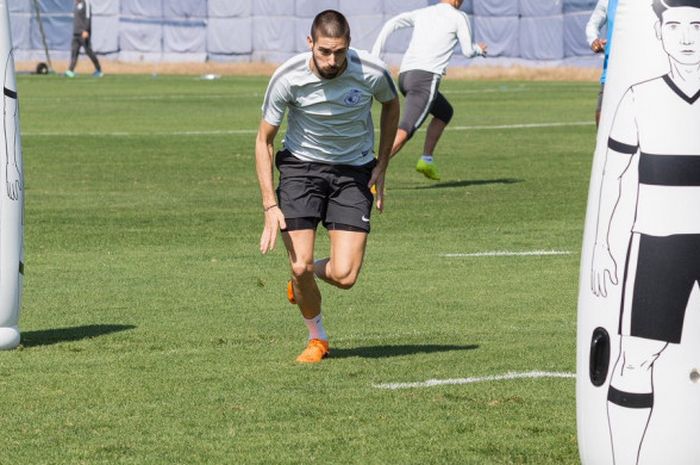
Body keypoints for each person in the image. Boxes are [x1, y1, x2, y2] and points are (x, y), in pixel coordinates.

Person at [255, 10, 400, 363]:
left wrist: (382, 163)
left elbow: (392, 104)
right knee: (300, 264)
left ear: (349, 45)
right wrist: (270, 205)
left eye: (339, 52)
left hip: (353, 173)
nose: (332, 60)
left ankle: (300, 283)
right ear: (310, 44)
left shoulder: (371, 71)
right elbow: (264, 141)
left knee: (345, 275)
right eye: (324, 51)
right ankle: (317, 338)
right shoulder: (287, 77)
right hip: (301, 170)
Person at [591, 1, 700, 463]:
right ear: (658, 33)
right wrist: (601, 246)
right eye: (673, 25)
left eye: (696, 25)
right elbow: (612, 176)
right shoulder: (638, 97)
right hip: (658, 244)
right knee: (635, 359)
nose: (686, 36)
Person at [370, 0, 486, 181]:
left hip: (405, 76)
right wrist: (479, 49)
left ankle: (426, 160)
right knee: (405, 129)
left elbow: (391, 23)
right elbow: (468, 51)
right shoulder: (459, 17)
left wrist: (375, 54)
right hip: (425, 79)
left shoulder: (424, 13)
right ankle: (370, 170)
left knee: (445, 112)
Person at [585, 0, 619, 127]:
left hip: (644, 74)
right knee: (603, 127)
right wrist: (593, 40)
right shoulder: (608, 2)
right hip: (611, 74)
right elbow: (592, 25)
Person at [65, 0, 102, 78]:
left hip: (83, 33)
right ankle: (70, 70)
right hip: (76, 33)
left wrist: (86, 30)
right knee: (74, 52)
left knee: (89, 51)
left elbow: (88, 18)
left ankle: (99, 70)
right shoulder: (75, 4)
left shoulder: (86, 3)